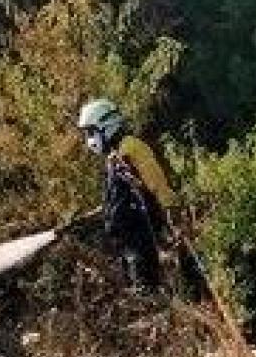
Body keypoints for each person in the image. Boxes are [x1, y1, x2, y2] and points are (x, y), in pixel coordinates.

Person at [76, 97, 179, 290]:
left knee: (146, 292)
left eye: (91, 132)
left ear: (107, 126)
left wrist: (170, 212)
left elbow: (156, 182)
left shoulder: (131, 148)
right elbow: (121, 196)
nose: (89, 140)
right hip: (127, 244)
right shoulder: (114, 157)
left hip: (143, 239)